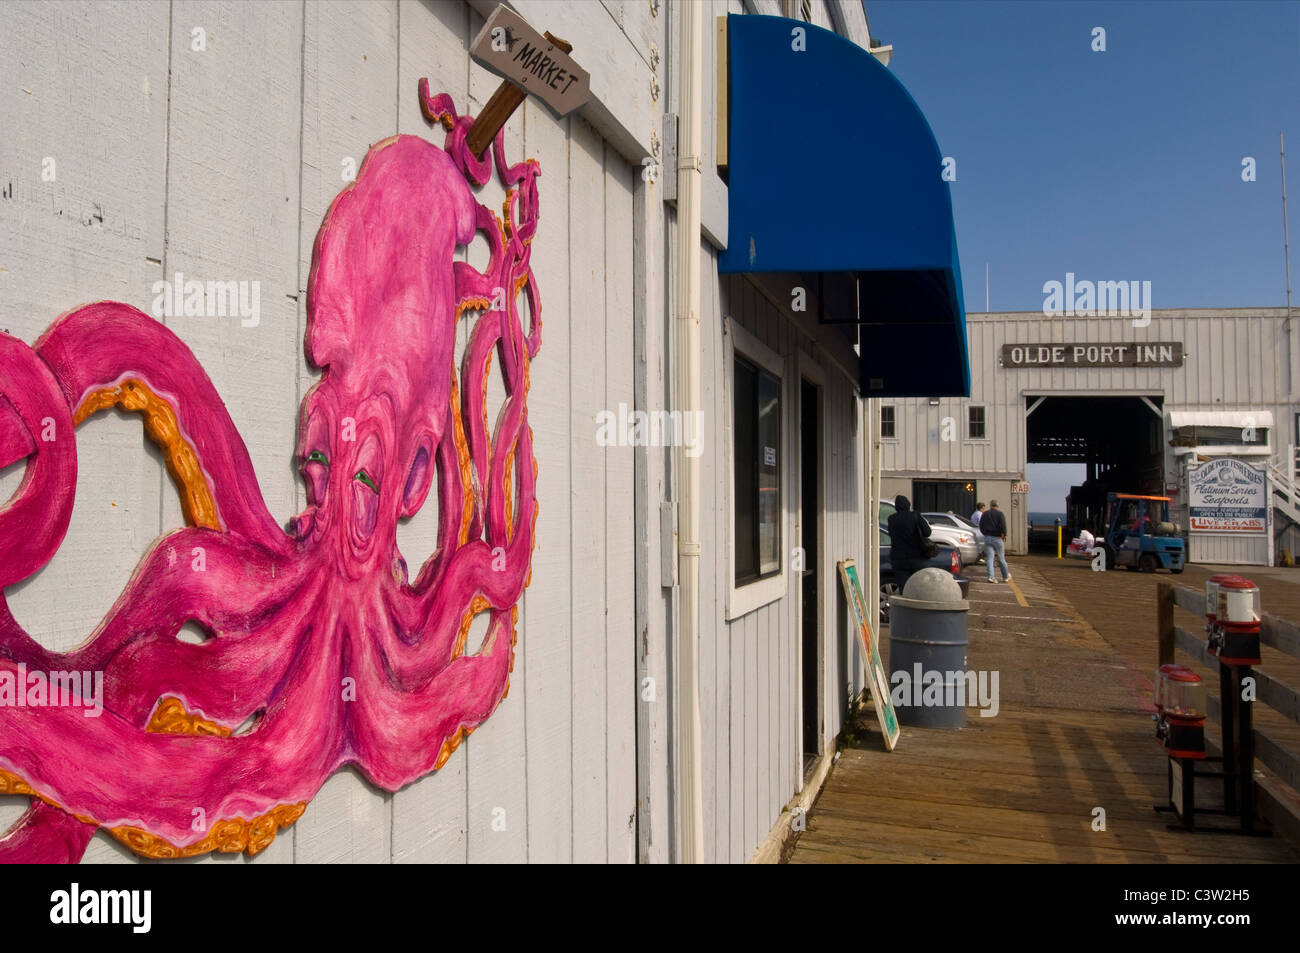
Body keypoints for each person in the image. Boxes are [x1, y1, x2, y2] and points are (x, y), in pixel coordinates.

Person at [886, 494, 932, 596]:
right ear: (908, 505)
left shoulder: (891, 519)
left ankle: (906, 607)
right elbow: (927, 532)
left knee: (904, 588)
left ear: (896, 506)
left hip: (898, 558)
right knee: (919, 586)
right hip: (916, 557)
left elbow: (891, 534)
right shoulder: (915, 515)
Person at [979, 500, 1011, 583]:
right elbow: (1003, 525)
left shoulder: (985, 514)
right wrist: (1005, 534)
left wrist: (985, 533)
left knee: (990, 558)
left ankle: (991, 577)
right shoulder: (1000, 514)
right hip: (997, 538)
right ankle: (1005, 576)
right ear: (997, 506)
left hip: (987, 537)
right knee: (1001, 558)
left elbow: (981, 525)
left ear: (990, 505)